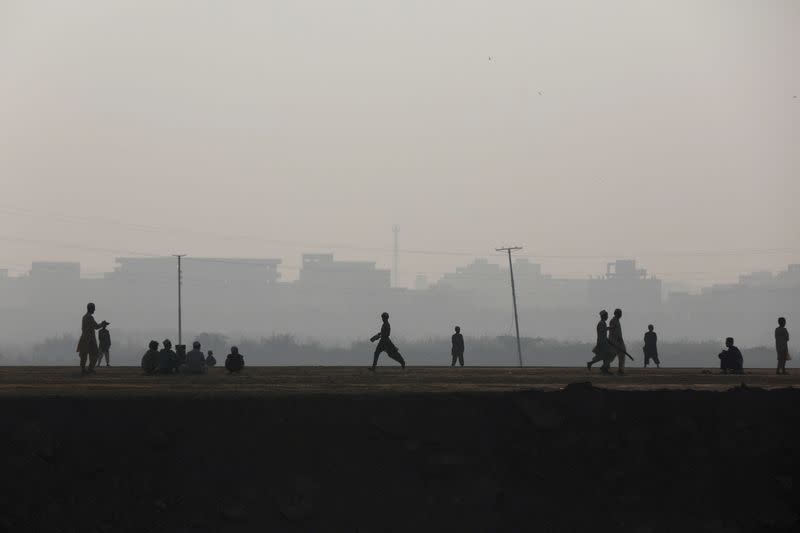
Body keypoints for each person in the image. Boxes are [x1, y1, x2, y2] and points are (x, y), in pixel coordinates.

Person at [75, 302, 109, 374]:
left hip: (84, 338)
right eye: (93, 308)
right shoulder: (90, 317)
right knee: (94, 354)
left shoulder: (84, 317)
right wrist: (103, 324)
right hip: (90, 340)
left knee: (84, 355)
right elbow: (96, 326)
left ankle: (83, 369)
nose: (94, 310)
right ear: (91, 309)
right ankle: (90, 369)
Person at [587, 310, 612, 374]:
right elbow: (602, 332)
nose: (607, 317)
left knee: (604, 356)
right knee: (606, 356)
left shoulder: (603, 323)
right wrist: (610, 328)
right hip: (602, 343)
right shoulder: (601, 323)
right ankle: (604, 368)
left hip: (604, 342)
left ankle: (604, 369)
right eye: (606, 315)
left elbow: (604, 333)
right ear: (603, 316)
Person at [608, 308, 627, 375]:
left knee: (622, 354)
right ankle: (605, 367)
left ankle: (620, 369)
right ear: (616, 314)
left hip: (619, 341)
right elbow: (612, 331)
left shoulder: (617, 321)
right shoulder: (613, 321)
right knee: (612, 356)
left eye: (620, 313)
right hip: (614, 341)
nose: (620, 315)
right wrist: (617, 338)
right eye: (619, 313)